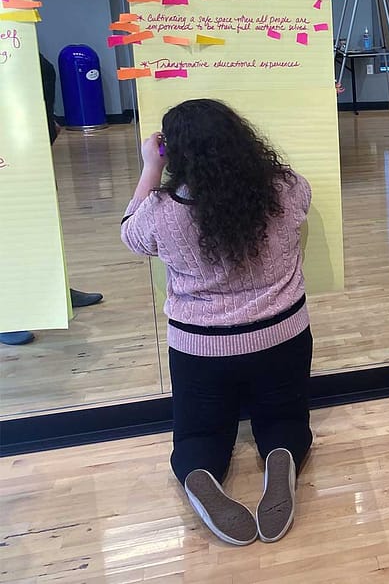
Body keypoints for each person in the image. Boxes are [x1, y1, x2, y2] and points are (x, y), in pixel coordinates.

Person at [120, 99, 312, 546]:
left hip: (201, 348)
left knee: (200, 434)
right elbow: (303, 194)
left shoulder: (164, 209)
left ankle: (200, 475)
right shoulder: (283, 188)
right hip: (281, 335)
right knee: (284, 418)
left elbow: (131, 233)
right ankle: (282, 456)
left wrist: (150, 166)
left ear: (175, 152)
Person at [2, 55, 102, 347]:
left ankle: (53, 291)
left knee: (40, 225)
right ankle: (6, 313)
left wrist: (47, 125)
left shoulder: (14, 36)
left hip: (27, 148)